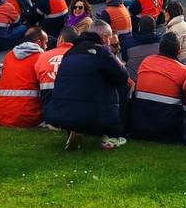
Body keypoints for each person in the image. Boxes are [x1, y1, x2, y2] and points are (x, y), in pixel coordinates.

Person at [45, 21, 131, 151]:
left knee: (83, 83)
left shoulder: (70, 52)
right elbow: (123, 76)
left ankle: (75, 130)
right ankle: (114, 134)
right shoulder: (101, 51)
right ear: (103, 37)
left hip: (61, 113)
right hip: (92, 114)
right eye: (108, 38)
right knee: (122, 85)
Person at [129, 34, 186, 142]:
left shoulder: (146, 61)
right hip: (166, 130)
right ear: (179, 50)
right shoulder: (185, 71)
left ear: (159, 48)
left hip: (139, 125)